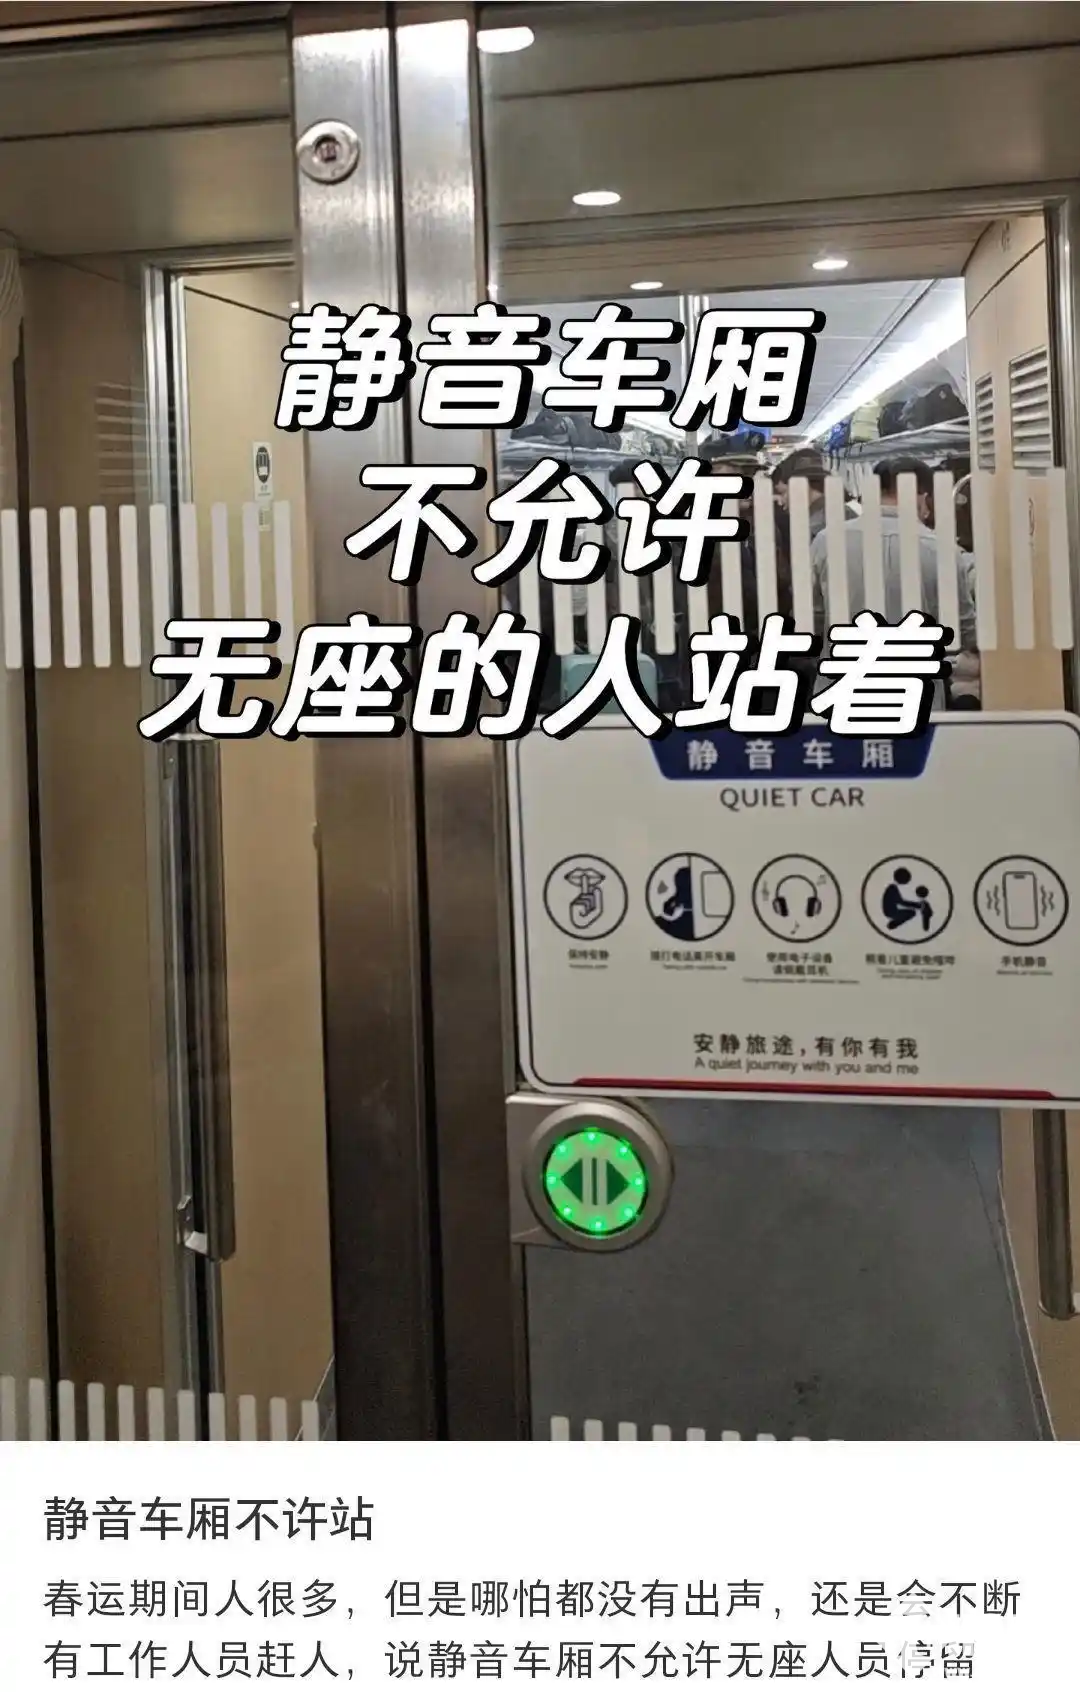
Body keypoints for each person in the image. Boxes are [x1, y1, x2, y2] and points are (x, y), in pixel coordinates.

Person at [808, 455, 980, 710]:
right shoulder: (943, 548)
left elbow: (812, 619)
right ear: (922, 496)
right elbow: (964, 629)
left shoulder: (826, 540)